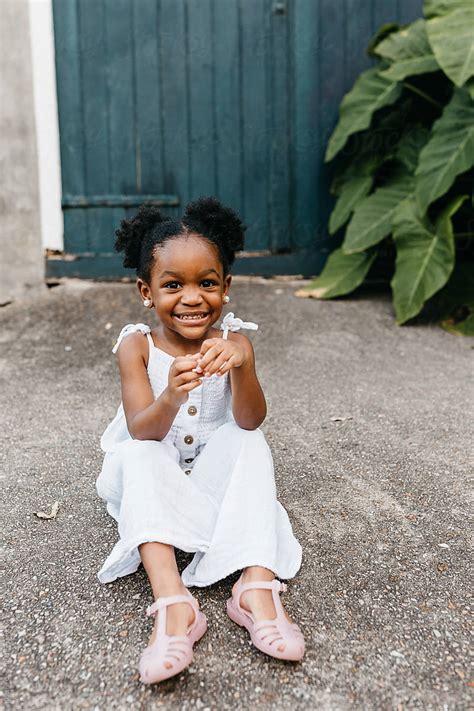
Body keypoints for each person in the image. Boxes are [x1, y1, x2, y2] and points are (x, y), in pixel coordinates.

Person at [95, 196, 304, 684]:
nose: (192, 298)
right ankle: (174, 604)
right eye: (173, 285)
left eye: (206, 283)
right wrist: (171, 394)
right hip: (155, 485)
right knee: (140, 451)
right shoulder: (136, 346)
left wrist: (243, 365)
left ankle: (254, 587)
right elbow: (143, 428)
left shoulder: (236, 342)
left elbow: (250, 421)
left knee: (250, 442)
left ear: (226, 288)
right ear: (146, 292)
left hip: (214, 491)